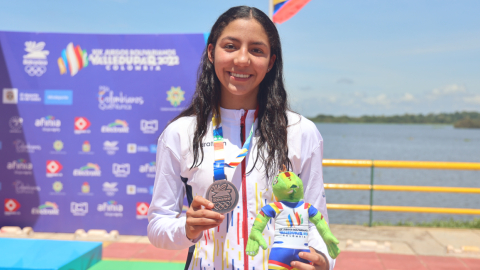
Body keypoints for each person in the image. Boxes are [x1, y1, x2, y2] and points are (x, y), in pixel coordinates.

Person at [148, 6, 336, 270]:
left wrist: (323, 261)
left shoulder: (300, 131)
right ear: (212, 53)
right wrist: (187, 228)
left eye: (257, 50)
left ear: (271, 61)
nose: (242, 59)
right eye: (231, 46)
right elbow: (158, 225)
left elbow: (317, 222)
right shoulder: (180, 133)